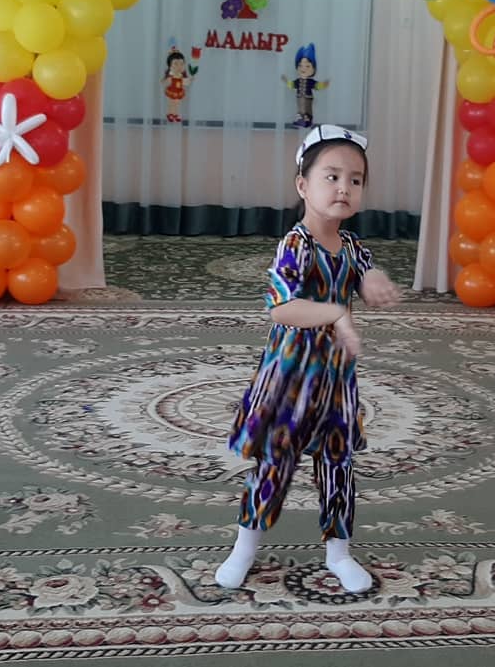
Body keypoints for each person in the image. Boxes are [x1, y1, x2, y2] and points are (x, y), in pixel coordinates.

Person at [216, 124, 401, 593]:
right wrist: (336, 314)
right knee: (274, 463)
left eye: (355, 180)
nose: (344, 188)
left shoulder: (352, 246)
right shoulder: (295, 244)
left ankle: (339, 553)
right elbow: (282, 307)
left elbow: (364, 270)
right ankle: (244, 548)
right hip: (290, 377)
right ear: (303, 185)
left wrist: (373, 279)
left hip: (336, 379)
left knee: (339, 464)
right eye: (331, 176)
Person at [281, 44, 329, 128]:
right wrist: (286, 81)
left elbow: (317, 86)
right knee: (300, 109)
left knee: (308, 109)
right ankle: (300, 120)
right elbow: (292, 85)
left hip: (308, 98)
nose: (303, 68)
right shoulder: (298, 81)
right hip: (299, 97)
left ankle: (308, 121)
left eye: (307, 66)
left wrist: (324, 84)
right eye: (300, 65)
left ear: (313, 69)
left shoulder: (310, 82)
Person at [162, 47, 196, 123]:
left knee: (177, 103)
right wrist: (166, 81)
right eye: (176, 64)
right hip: (171, 91)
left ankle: (175, 114)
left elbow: (185, 82)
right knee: (171, 103)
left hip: (179, 91)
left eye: (181, 64)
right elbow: (164, 82)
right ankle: (170, 114)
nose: (179, 66)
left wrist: (191, 79)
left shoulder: (181, 76)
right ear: (170, 65)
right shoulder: (171, 76)